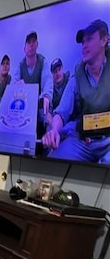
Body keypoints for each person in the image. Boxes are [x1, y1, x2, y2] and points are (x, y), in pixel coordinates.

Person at [42, 19, 110, 164]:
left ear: (104, 40)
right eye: (82, 42)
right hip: (84, 141)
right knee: (51, 164)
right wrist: (54, 130)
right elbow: (62, 112)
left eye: (89, 40)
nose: (84, 46)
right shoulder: (77, 76)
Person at [14, 31, 53, 135]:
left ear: (37, 44)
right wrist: (16, 85)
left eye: (33, 41)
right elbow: (13, 83)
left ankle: (49, 149)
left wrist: (46, 96)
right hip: (24, 106)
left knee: (48, 118)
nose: (31, 44)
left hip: (39, 103)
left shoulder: (43, 61)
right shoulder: (20, 65)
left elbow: (48, 80)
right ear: (24, 48)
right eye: (28, 42)